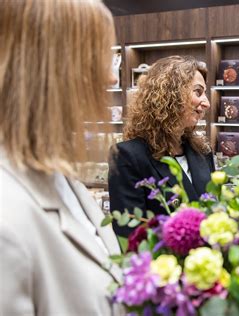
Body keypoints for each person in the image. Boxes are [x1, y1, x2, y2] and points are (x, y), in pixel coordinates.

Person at [0, 0, 123, 315]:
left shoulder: (62, 178)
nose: (112, 80)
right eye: (102, 57)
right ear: (53, 66)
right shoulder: (7, 216)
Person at [108, 56, 214, 237]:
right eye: (198, 92)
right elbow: (131, 236)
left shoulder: (203, 152)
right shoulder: (127, 156)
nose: (206, 103)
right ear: (171, 94)